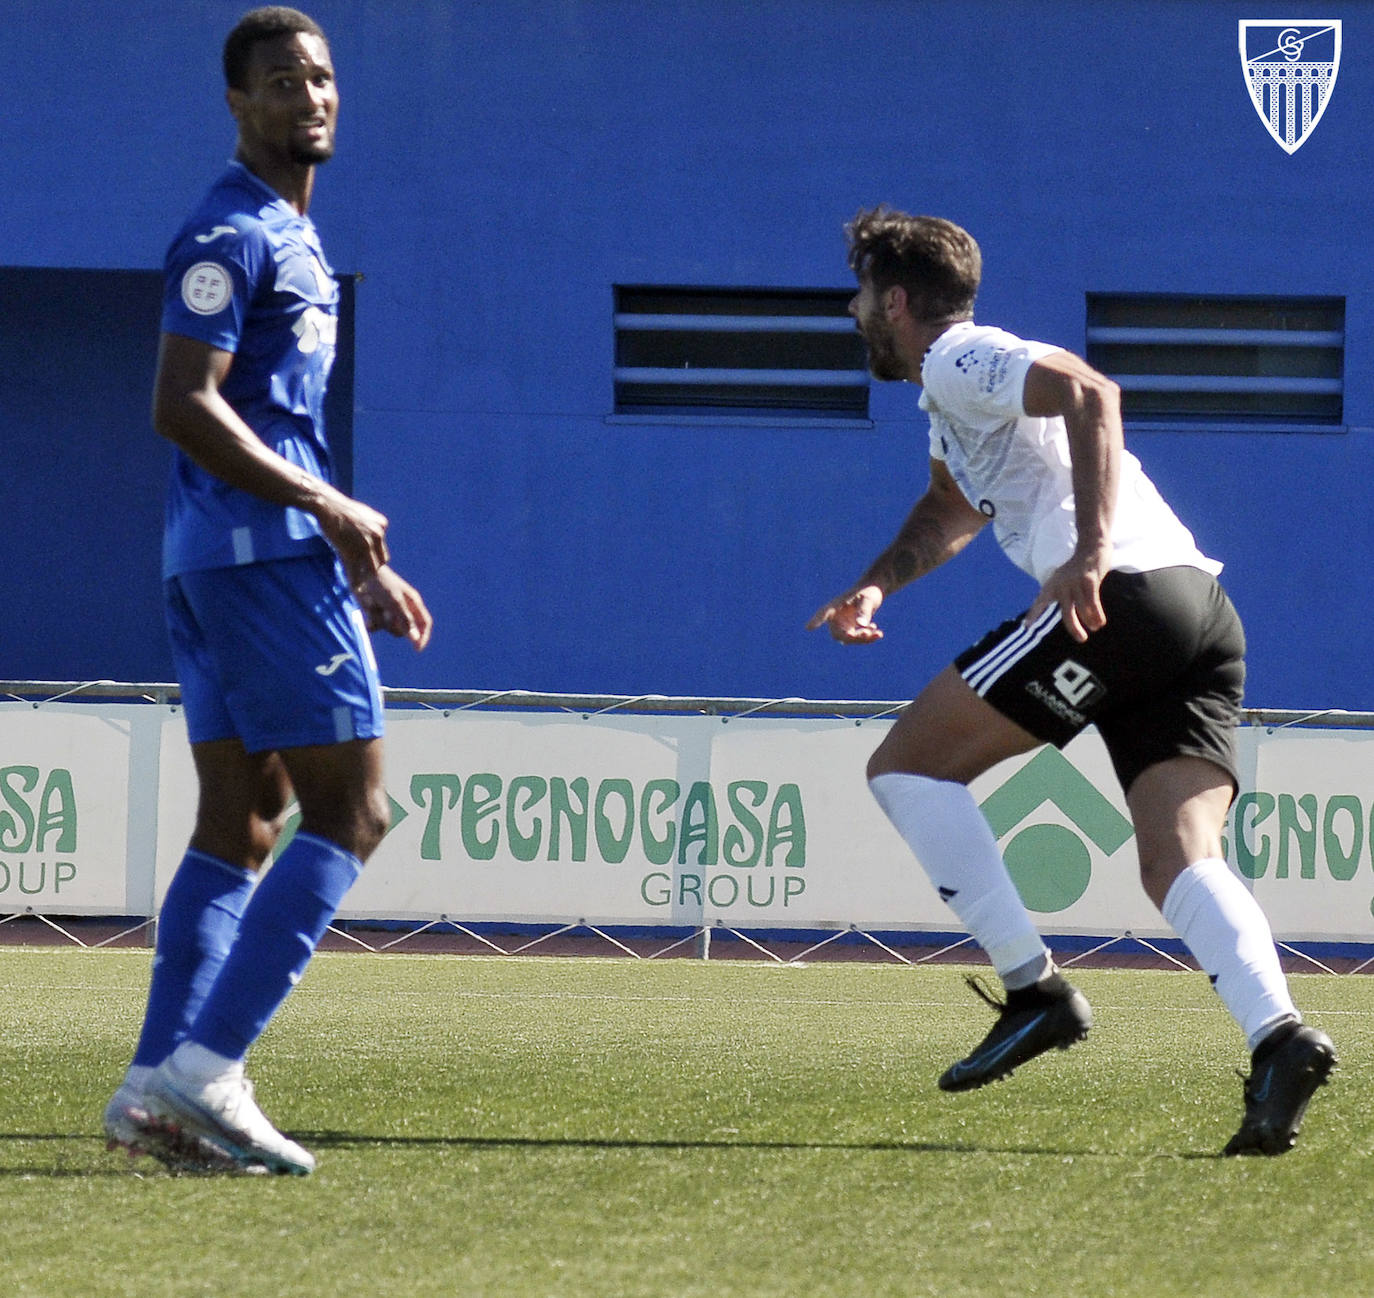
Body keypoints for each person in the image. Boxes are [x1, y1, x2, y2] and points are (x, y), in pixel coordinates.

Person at [808, 205, 1334, 1156]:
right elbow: (950, 509)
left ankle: (1033, 990)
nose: (853, 315)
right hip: (1196, 611)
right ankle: (1281, 1039)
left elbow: (1093, 391)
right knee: (1179, 861)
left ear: (894, 302)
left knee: (907, 768)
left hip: (1117, 600)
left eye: (858, 297)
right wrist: (878, 582)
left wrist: (1088, 554)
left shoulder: (955, 358)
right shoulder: (951, 397)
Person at [102, 6, 432, 1176]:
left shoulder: (291, 237)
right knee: (353, 810)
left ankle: (153, 1085)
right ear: (237, 104)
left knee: (241, 824)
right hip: (256, 560)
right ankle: (211, 1069)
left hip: (234, 556)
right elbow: (181, 403)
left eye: (325, 76)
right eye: (284, 81)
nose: (312, 96)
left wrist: (355, 549)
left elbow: (274, 421)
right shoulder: (229, 232)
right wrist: (332, 514)